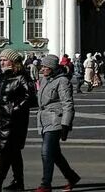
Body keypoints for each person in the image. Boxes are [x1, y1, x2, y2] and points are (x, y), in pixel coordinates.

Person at [0, 50, 38, 191]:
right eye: (1, 59)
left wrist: (14, 109)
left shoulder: (22, 77)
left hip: (14, 121)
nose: (1, 62)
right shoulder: (1, 77)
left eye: (5, 60)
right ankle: (18, 182)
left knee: (6, 151)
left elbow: (30, 97)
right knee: (13, 152)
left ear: (13, 61)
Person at [37, 58, 81, 192]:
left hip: (56, 120)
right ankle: (71, 176)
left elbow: (67, 104)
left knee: (46, 152)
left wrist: (66, 125)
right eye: (42, 66)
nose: (42, 69)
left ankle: (46, 184)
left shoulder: (62, 81)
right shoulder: (45, 79)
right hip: (44, 120)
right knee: (54, 153)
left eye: (45, 67)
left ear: (52, 68)